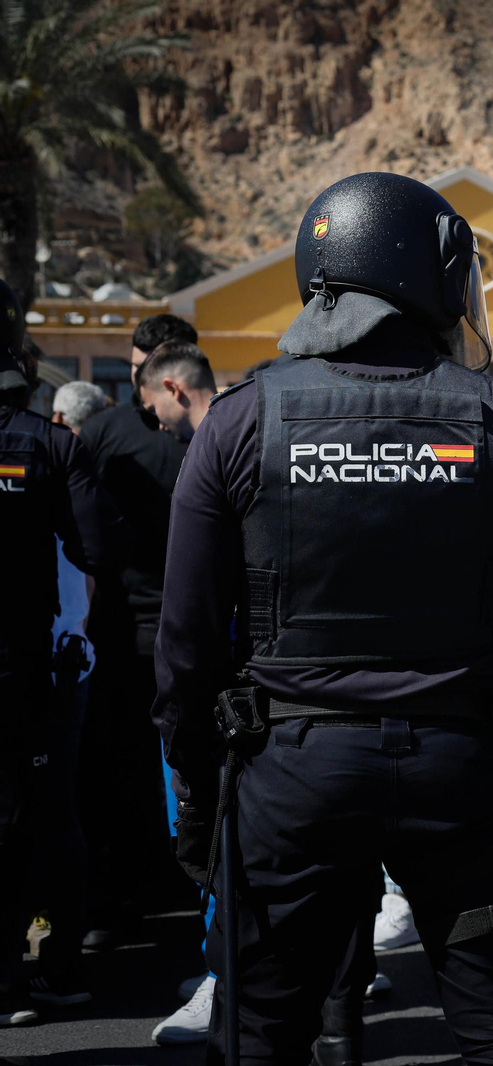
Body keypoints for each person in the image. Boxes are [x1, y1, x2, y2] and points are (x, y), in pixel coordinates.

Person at [151, 173, 493, 1064]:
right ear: (430, 275)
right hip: (456, 771)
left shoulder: (239, 422)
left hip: (292, 772)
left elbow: (184, 640)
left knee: (264, 1027)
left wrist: (191, 789)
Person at [0, 278, 121, 1024]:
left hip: (33, 665)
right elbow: (100, 548)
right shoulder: (49, 444)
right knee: (38, 817)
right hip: (28, 669)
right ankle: (38, 968)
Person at [76, 312, 195, 949]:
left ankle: (122, 898)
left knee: (125, 767)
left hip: (132, 629)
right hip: (162, 627)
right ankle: (152, 888)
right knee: (172, 767)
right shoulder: (213, 423)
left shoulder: (102, 432)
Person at [136, 342, 216, 439]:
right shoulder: (233, 427)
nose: (160, 426)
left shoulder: (223, 442)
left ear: (172, 389)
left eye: (153, 409)